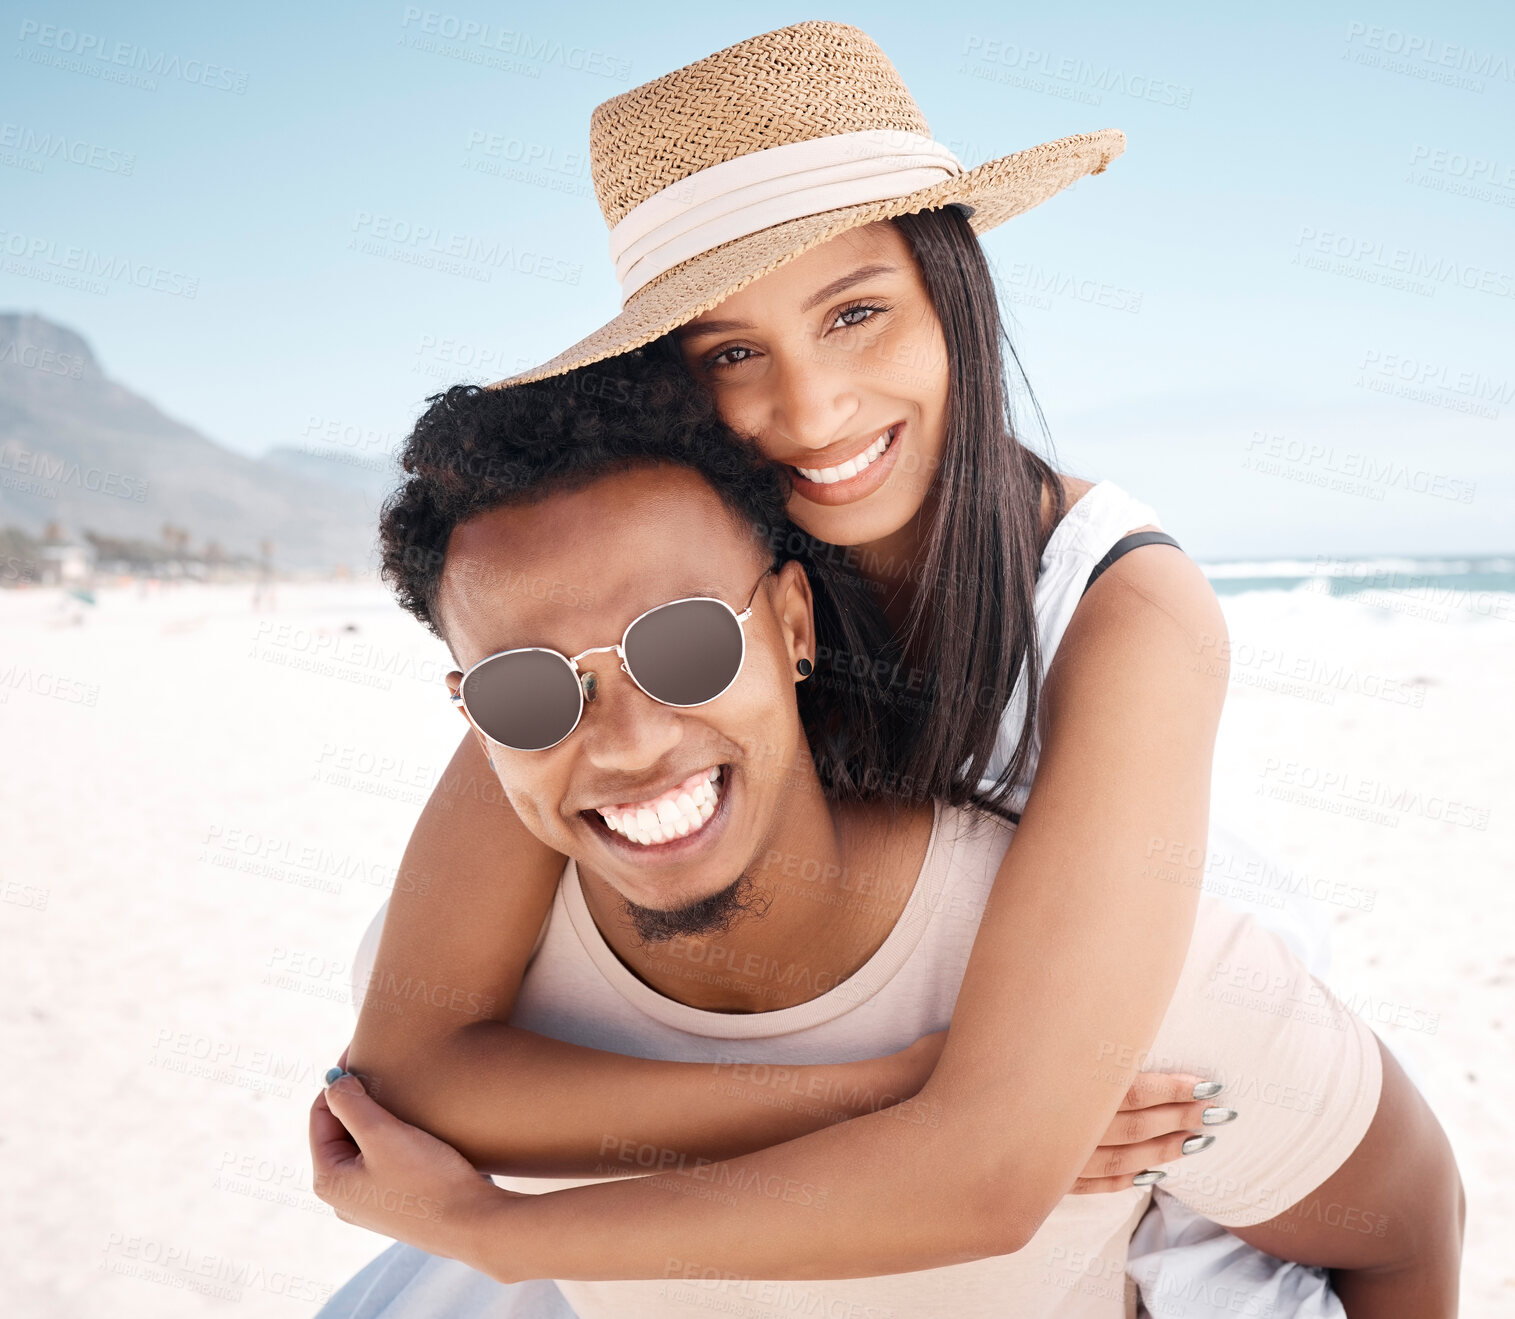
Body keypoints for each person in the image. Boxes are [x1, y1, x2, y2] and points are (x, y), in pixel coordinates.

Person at [330, 20, 1450, 1314]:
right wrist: (882, 1086)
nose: (811, 413)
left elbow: (995, 1170)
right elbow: (412, 1058)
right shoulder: (662, 606)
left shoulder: (1123, 606)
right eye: (732, 354)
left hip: (1133, 1058)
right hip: (863, 1104)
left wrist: (503, 1232)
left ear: (950, 293)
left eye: (856, 313)